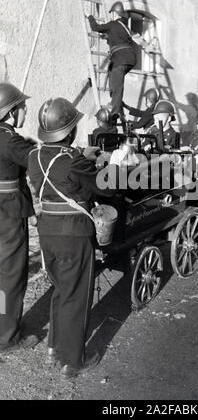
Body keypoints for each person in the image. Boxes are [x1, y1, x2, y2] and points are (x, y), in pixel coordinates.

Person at [27, 97, 115, 377]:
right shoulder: (73, 160)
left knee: (61, 290)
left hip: (47, 232)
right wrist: (107, 165)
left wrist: (83, 159)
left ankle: (55, 347)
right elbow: (106, 190)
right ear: (68, 131)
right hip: (73, 234)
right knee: (77, 296)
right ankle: (73, 360)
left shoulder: (34, 156)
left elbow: (62, 171)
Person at [0, 82, 38, 353]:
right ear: (10, 112)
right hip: (8, 212)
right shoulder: (10, 139)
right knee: (11, 275)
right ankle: (8, 337)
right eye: (22, 106)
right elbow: (38, 161)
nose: (25, 110)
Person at [88, 1, 153, 123]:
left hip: (120, 59)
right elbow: (122, 37)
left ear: (115, 13)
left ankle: (115, 112)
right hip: (130, 59)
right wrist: (107, 37)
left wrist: (90, 17)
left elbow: (95, 27)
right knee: (114, 81)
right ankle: (115, 102)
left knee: (117, 87)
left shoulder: (113, 24)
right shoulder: (125, 27)